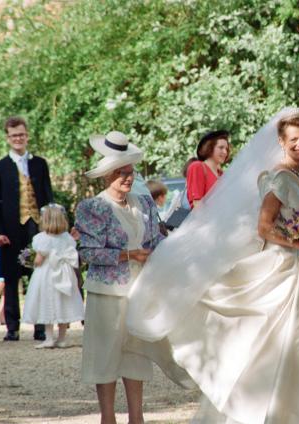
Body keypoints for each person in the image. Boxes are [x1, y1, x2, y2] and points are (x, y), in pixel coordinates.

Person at [126, 109, 299, 424]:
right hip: (286, 264)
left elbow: (293, 219)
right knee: (281, 337)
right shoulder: (277, 177)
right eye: (294, 139)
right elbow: (264, 228)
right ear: (281, 141)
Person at [75, 131, 191, 424]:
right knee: (106, 354)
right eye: (121, 173)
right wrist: (129, 255)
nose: (127, 177)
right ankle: (107, 417)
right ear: (106, 175)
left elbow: (157, 241)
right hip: (107, 291)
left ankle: (137, 417)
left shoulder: (145, 202)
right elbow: (88, 252)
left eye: (130, 171)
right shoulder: (93, 207)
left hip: (141, 288)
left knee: (137, 352)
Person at [0, 116, 53, 341]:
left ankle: (40, 326)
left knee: (40, 276)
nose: (18, 139)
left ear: (27, 136)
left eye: (21, 134)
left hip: (36, 225)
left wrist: (50, 227)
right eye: (13, 135)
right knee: (10, 278)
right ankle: (12, 327)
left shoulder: (39, 163)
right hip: (10, 228)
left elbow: (47, 195)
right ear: (8, 138)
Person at [21, 203, 83, 348]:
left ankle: (49, 338)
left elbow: (38, 260)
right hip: (65, 273)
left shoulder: (40, 238)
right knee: (63, 302)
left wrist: (32, 261)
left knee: (47, 302)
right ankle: (62, 339)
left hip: (47, 274)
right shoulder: (67, 237)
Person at [185, 130, 230, 208]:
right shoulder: (197, 167)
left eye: (226, 149)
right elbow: (197, 205)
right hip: (206, 220)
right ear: (209, 147)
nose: (225, 152)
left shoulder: (221, 174)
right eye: (221, 147)